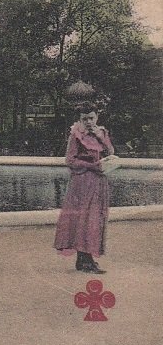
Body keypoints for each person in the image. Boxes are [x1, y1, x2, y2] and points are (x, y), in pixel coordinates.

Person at [54, 104, 115, 273]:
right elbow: (70, 160)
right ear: (80, 119)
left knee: (95, 219)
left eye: (91, 118)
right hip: (82, 181)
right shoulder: (75, 135)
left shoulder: (101, 132)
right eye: (85, 119)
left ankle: (86, 260)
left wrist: (101, 138)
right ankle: (84, 260)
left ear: (97, 118)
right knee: (83, 220)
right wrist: (92, 165)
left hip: (98, 181)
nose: (88, 122)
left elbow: (110, 151)